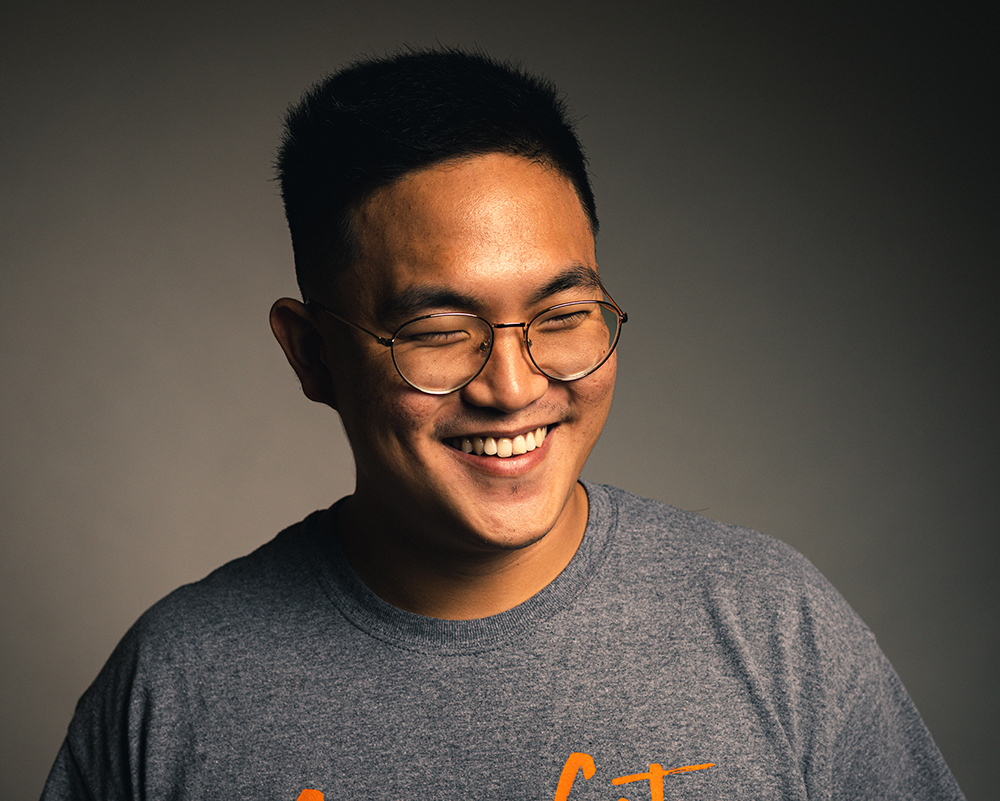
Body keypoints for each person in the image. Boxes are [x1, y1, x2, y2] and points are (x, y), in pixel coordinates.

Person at [42, 48, 964, 800]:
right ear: (313, 355)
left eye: (563, 316)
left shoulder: (773, 624)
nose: (514, 388)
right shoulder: (178, 686)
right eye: (439, 332)